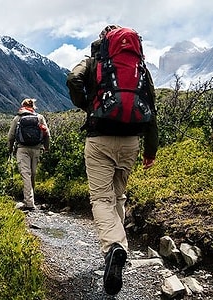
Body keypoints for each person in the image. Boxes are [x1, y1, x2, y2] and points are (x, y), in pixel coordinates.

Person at [66, 25, 158, 295]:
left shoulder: (94, 62)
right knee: (118, 196)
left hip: (100, 138)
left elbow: (73, 79)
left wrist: (87, 104)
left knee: (101, 199)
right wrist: (150, 151)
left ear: (104, 42)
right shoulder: (139, 68)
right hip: (131, 141)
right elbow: (152, 108)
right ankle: (117, 248)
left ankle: (114, 247)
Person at [7, 98, 50, 211]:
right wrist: (46, 148)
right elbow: (47, 134)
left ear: (22, 106)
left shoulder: (18, 118)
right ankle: (31, 199)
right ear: (33, 107)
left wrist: (10, 150)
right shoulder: (39, 117)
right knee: (33, 174)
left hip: (22, 149)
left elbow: (10, 137)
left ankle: (29, 203)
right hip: (36, 149)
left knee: (26, 174)